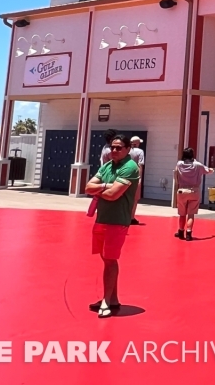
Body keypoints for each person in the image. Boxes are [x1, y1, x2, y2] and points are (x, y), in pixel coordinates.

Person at [84, 135, 140, 318]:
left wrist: (101, 189)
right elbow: (87, 187)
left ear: (128, 149)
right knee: (107, 260)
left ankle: (106, 301)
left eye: (119, 147)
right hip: (102, 219)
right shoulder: (107, 166)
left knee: (110, 260)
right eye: (112, 147)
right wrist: (106, 186)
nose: (114, 150)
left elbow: (113, 195)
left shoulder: (130, 167)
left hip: (117, 221)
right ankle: (112, 298)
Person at [174, 148, 213, 241]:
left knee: (182, 214)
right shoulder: (197, 165)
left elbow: (175, 173)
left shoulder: (179, 164)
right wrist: (211, 170)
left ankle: (180, 231)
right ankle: (188, 233)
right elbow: (208, 171)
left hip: (182, 190)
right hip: (194, 191)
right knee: (191, 214)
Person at [128, 136, 145, 225]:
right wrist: (140, 177)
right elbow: (140, 165)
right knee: (135, 198)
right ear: (137, 143)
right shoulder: (140, 151)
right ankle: (131, 217)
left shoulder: (127, 150)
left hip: (126, 175)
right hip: (135, 176)